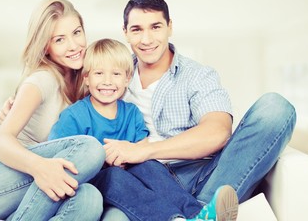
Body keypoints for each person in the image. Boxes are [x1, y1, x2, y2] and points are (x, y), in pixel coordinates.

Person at [0, 0, 297, 221]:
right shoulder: (112, 72)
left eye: (155, 27)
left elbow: (217, 131)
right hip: (135, 183)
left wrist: (144, 150)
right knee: (114, 191)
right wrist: (17, 110)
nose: (146, 39)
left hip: (200, 173)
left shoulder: (197, 75)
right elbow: (70, 104)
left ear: (169, 27)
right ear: (125, 33)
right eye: (137, 29)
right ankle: (200, 214)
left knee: (275, 107)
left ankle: (198, 209)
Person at [49, 38, 239, 221]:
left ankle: (197, 215)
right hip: (92, 183)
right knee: (114, 175)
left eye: (116, 74)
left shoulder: (131, 113)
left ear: (126, 80)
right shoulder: (74, 116)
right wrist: (101, 160)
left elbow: (140, 149)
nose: (107, 81)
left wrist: (131, 157)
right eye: (99, 74)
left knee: (150, 165)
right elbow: (58, 156)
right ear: (86, 79)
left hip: (130, 182)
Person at [0, 0, 105, 221]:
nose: (74, 45)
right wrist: (41, 167)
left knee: (90, 198)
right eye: (60, 39)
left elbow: (120, 69)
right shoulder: (42, 81)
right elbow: (0, 141)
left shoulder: (88, 82)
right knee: (91, 149)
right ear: (45, 47)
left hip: (24, 196)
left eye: (77, 33)